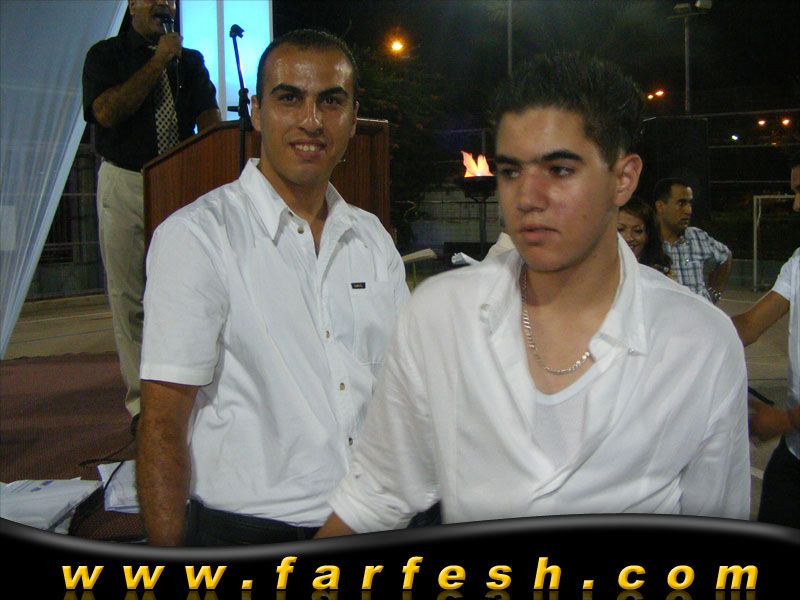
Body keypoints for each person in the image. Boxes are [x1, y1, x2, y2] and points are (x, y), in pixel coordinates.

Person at [315, 53, 750, 538]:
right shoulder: (441, 316)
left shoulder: (698, 342)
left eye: (559, 170)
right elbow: (378, 495)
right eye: (510, 172)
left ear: (623, 179)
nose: (527, 197)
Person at [136, 29, 409, 546]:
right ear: (257, 113)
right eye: (290, 98)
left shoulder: (371, 238)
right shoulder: (199, 238)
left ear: (353, 118)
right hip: (252, 533)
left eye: (331, 101)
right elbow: (162, 423)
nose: (312, 121)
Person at [82, 0, 220, 421]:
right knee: (129, 297)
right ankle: (144, 409)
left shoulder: (189, 61)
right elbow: (106, 112)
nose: (163, 3)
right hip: (126, 179)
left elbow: (209, 120)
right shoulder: (106, 55)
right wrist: (157, 61)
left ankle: (190, 396)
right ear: (131, 5)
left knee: (186, 293)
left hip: (179, 184)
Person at [731, 154, 800, 529]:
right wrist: (682, 334)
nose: (796, 204)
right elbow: (749, 325)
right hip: (795, 450)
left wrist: (785, 419)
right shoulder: (799, 261)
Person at [654, 177, 731, 303]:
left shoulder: (697, 236)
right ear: (660, 206)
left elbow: (726, 256)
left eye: (690, 203)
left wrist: (715, 292)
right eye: (681, 203)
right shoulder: (646, 242)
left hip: (700, 314)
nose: (688, 210)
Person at [617, 196, 672, 275]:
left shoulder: (660, 273)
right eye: (620, 230)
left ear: (648, 235)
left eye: (637, 231)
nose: (629, 238)